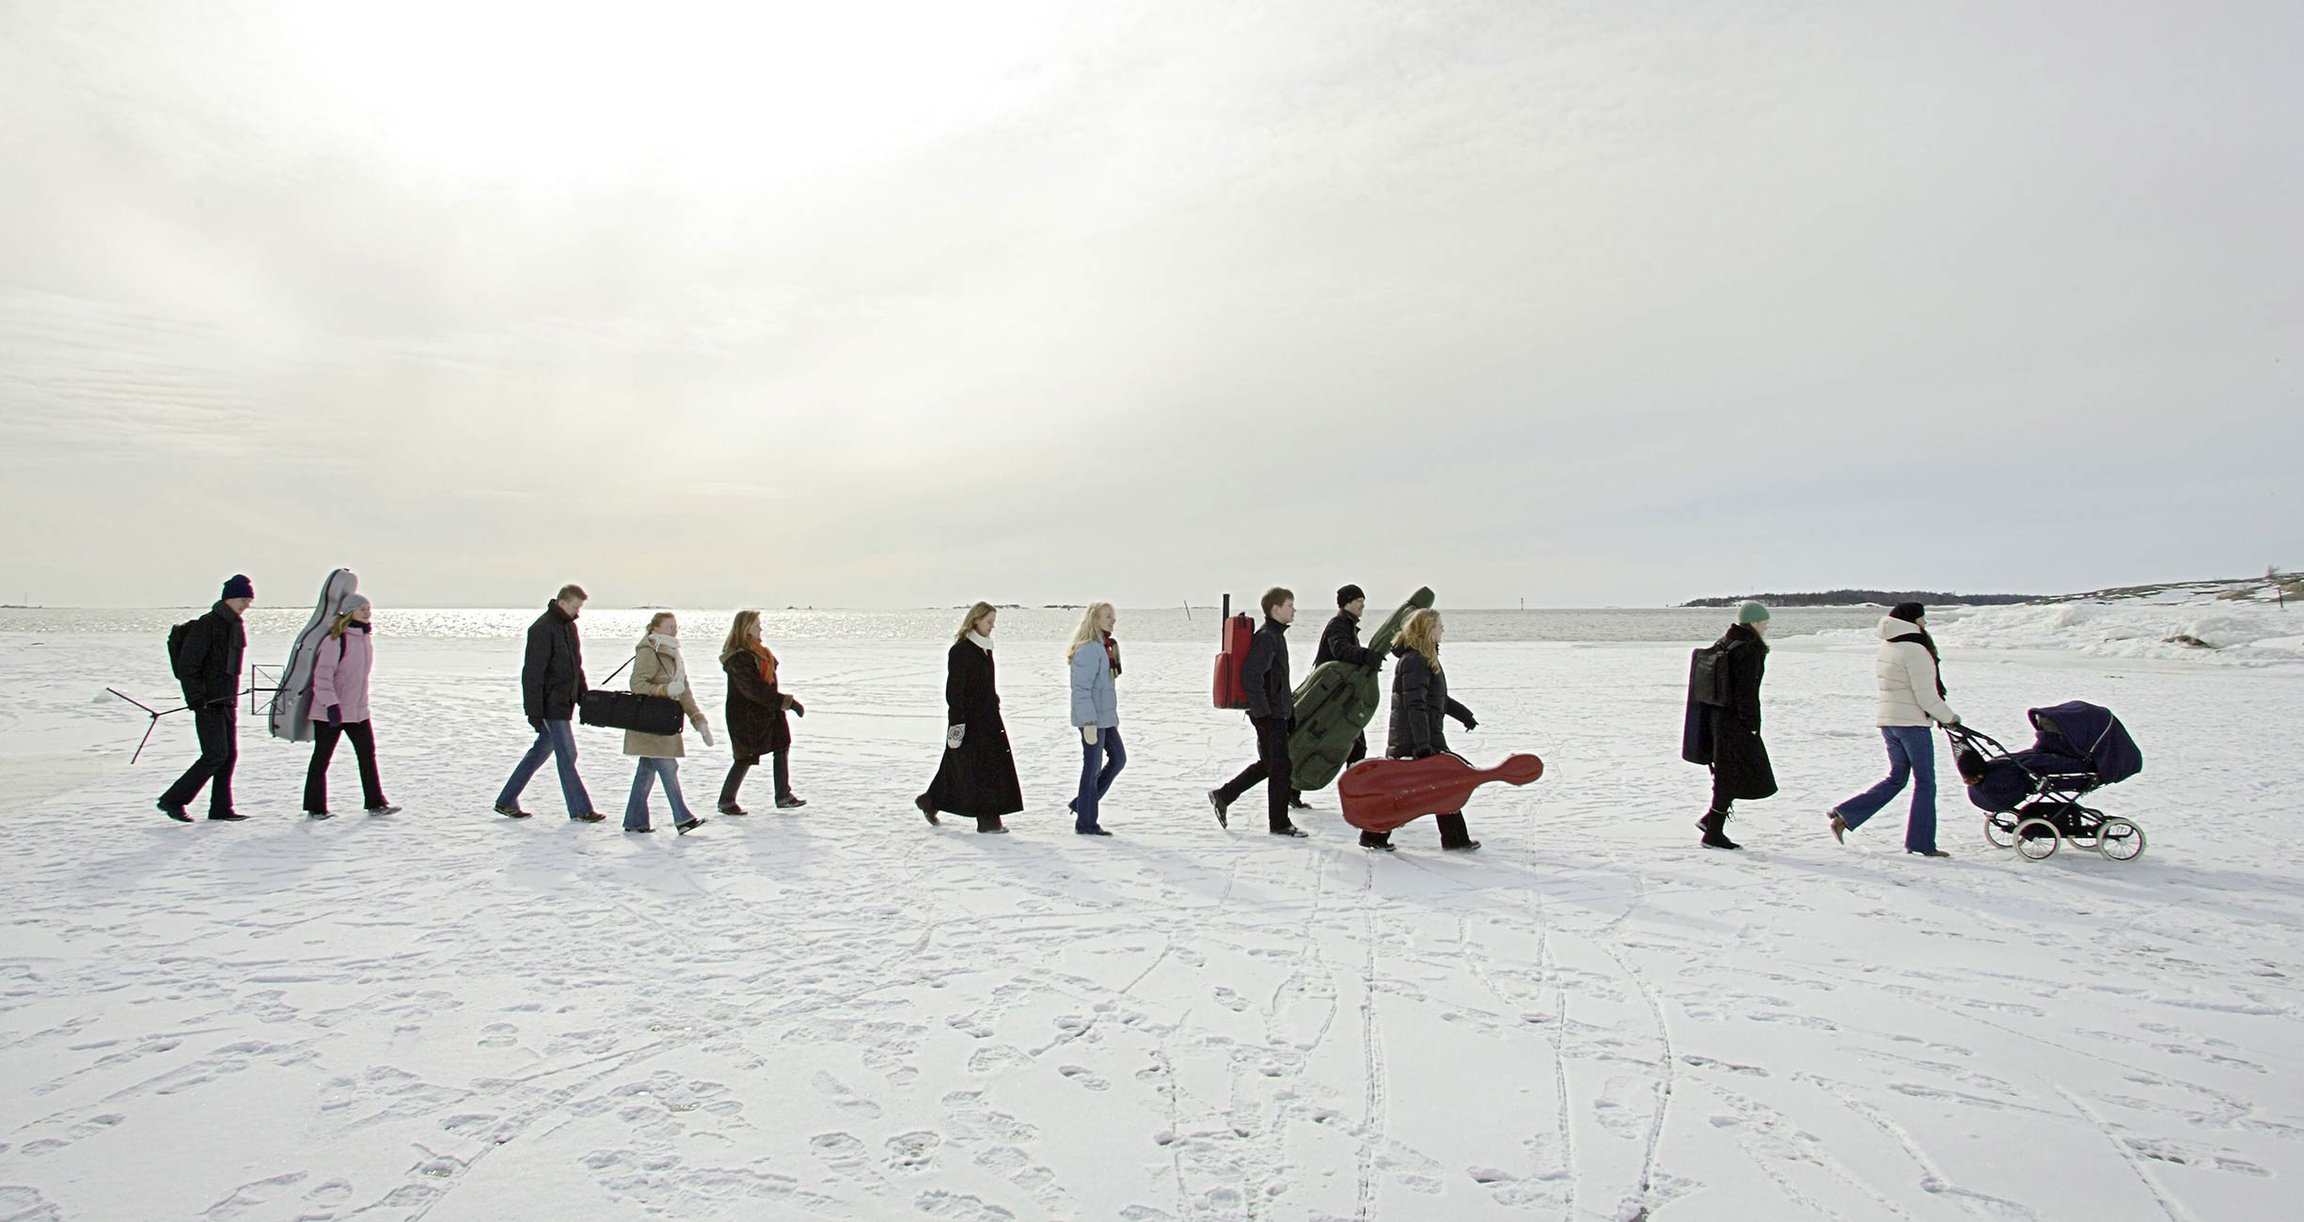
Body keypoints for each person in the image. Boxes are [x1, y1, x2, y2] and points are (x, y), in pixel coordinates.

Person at [1828, 602, 1960, 857]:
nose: (1925, 624)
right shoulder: (1916, 650)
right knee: (1925, 782)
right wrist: (1950, 718)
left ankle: (1845, 815)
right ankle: (1921, 842)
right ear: (1913, 621)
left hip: (1889, 721)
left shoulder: (1888, 646)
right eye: (1923, 619)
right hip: (1912, 725)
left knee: (1897, 778)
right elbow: (1925, 696)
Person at [1365, 609, 1482, 852]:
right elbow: (1414, 704)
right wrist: (1422, 745)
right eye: (1439, 625)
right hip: (1414, 740)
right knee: (1434, 786)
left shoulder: (1423, 658)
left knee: (1440, 785)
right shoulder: (1415, 660)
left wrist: (1464, 716)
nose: (1443, 630)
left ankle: (1453, 838)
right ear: (1427, 629)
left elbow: (1436, 698)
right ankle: (1375, 835)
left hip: (1424, 736)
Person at [495, 584, 603, 822]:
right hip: (549, 704)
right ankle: (581, 810)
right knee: (567, 754)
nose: (577, 612)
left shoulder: (569, 628)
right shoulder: (541, 629)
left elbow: (576, 666)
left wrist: (584, 696)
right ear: (562, 603)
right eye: (575, 606)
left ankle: (506, 800)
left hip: (565, 703)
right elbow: (532, 674)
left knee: (540, 752)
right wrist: (533, 711)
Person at [1209, 587, 1309, 838]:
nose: (1293, 610)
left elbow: (1276, 680)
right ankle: (1280, 824)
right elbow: (1251, 676)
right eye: (1289, 605)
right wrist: (1264, 713)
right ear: (1275, 609)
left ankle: (1223, 795)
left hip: (1276, 713)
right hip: (1269, 715)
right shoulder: (1267, 637)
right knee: (1280, 768)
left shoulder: (1276, 635)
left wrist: (1288, 711)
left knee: (1269, 765)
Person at [916, 602, 1024, 833]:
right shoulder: (961, 650)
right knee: (980, 767)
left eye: (993, 623)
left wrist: (993, 698)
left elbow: (985, 682)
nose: (992, 627)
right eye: (988, 622)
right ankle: (988, 819)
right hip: (969, 721)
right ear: (975, 620)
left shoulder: (985, 648)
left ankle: (930, 800)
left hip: (988, 718)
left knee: (958, 765)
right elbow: (954, 691)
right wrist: (957, 725)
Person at [158, 574, 254, 822]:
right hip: (207, 702)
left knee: (228, 755)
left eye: (248, 600)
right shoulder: (207, 625)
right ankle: (173, 800)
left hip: (226, 700)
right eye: (243, 599)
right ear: (229, 598)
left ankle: (221, 809)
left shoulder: (233, 625)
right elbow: (188, 667)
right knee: (214, 754)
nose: (246, 605)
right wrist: (196, 698)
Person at [1682, 601, 1776, 850]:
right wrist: (1753, 724)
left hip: (1715, 719)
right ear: (1755, 622)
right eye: (1764, 622)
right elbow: (1747, 692)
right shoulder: (1750, 649)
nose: (1766, 626)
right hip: (1736, 723)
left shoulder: (1724, 643)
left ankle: (1711, 822)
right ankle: (1713, 832)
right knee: (1735, 774)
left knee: (1729, 773)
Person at [302, 594, 398, 818]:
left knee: (367, 754)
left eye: (368, 608)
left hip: (357, 711)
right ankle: (315, 808)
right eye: (361, 609)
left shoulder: (364, 639)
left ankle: (375, 803)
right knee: (322, 757)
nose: (367, 612)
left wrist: (360, 706)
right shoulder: (335, 640)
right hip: (330, 712)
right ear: (349, 612)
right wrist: (331, 704)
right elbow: (323, 677)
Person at [623, 612, 712, 834]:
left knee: (646, 770)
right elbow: (637, 684)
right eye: (669, 626)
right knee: (668, 766)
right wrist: (664, 690)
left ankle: (635, 821)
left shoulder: (673, 653)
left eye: (675, 626)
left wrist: (697, 719)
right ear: (656, 628)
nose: (674, 630)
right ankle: (682, 818)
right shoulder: (648, 651)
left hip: (664, 722)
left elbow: (685, 690)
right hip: (649, 722)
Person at [718, 610, 805, 814]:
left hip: (768, 713)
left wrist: (780, 704)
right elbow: (754, 690)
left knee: (782, 746)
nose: (761, 629)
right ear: (745, 628)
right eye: (757, 625)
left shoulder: (761, 653)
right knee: (745, 757)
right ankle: (726, 801)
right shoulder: (739, 658)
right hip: (746, 717)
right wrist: (787, 702)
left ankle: (783, 795)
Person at [1066, 602, 1125, 835]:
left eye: (1113, 615)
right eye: (1108, 616)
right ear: (1095, 620)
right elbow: (1081, 689)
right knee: (1092, 768)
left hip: (1106, 717)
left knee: (1119, 759)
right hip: (1092, 719)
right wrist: (1088, 722)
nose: (1113, 620)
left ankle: (1083, 804)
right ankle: (1086, 823)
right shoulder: (1089, 649)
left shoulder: (1106, 646)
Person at [1313, 584, 1384, 772]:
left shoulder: (1348, 624)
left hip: (1338, 695)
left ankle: (1354, 787)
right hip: (1331, 695)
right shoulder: (1339, 624)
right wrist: (1366, 655)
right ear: (1347, 603)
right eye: (1359, 601)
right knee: (1354, 744)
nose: (1362, 605)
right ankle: (1354, 789)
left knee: (1356, 744)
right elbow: (1340, 650)